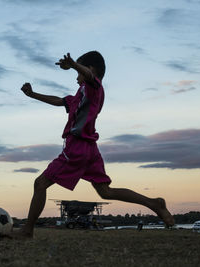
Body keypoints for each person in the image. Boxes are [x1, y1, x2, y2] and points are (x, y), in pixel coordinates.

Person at [15, 51, 175, 238]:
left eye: (78, 73)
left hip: (77, 148)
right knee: (105, 192)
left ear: (89, 69)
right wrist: (32, 94)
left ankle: (27, 230)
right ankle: (154, 203)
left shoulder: (93, 87)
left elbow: (90, 77)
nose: (76, 78)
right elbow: (59, 101)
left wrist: (74, 64)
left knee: (40, 183)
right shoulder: (81, 93)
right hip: (91, 149)